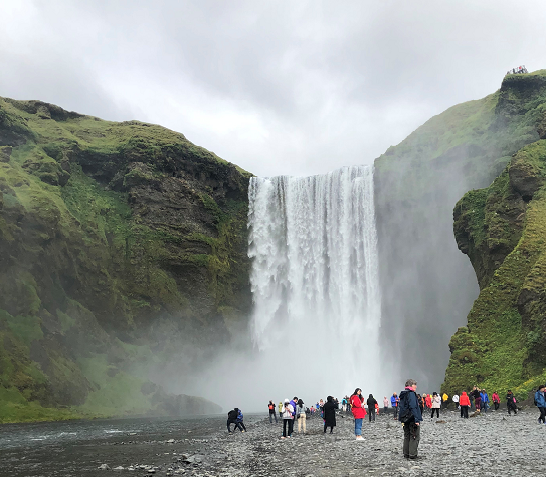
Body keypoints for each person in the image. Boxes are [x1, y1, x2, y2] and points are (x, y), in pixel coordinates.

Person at [398, 378, 422, 460]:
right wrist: (417, 419)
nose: (416, 386)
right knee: (414, 436)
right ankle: (413, 454)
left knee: (407, 435)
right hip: (411, 418)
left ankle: (406, 453)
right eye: (414, 385)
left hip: (404, 418)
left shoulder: (403, 394)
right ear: (411, 386)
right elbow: (413, 407)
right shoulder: (411, 394)